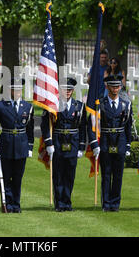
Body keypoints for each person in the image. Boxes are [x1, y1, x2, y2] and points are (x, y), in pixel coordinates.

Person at [0, 78, 34, 213]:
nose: (17, 92)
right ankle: (7, 204)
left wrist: (30, 147)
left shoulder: (28, 107)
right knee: (6, 177)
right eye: (15, 89)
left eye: (19, 89)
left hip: (21, 144)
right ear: (10, 90)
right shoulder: (0, 106)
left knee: (18, 177)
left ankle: (16, 205)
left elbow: (30, 129)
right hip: (6, 144)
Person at [87, 74, 133, 212]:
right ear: (107, 87)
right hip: (106, 141)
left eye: (117, 86)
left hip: (120, 141)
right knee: (106, 174)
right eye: (112, 86)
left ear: (120, 87)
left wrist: (128, 144)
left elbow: (128, 126)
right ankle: (106, 203)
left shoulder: (126, 105)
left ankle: (115, 203)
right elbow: (92, 125)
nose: (115, 89)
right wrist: (95, 144)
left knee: (118, 175)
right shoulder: (99, 104)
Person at [40, 78, 86, 212]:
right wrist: (48, 143)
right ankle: (59, 202)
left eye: (70, 89)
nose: (67, 92)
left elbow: (83, 127)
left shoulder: (79, 106)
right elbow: (45, 125)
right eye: (65, 89)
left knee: (70, 174)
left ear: (73, 91)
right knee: (59, 174)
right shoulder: (52, 106)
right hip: (58, 141)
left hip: (73, 142)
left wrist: (82, 146)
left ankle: (67, 201)